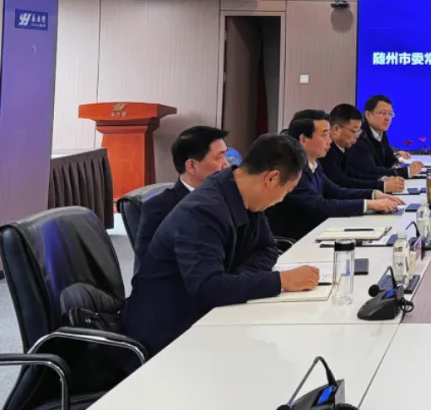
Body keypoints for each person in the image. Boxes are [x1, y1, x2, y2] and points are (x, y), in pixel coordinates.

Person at [121, 134, 321, 358]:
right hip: (170, 334)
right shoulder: (202, 211)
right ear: (272, 178)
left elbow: (266, 249)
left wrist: (237, 281)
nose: (282, 199)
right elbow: (208, 289)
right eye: (287, 191)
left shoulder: (245, 195)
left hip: (208, 317)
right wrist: (280, 281)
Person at [266, 111, 403, 241]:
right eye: (324, 135)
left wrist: (374, 194)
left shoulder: (313, 163)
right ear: (303, 139)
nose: (329, 141)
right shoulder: (291, 170)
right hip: (296, 241)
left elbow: (336, 191)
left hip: (316, 231)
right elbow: (319, 206)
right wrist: (369, 204)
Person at [133, 126, 230, 271]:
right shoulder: (160, 209)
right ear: (191, 166)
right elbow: (147, 271)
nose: (227, 165)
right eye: (219, 158)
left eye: (225, 156)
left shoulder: (228, 198)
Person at [323, 104, 406, 194]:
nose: (357, 136)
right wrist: (381, 186)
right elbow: (343, 182)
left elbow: (354, 175)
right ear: (336, 130)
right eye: (354, 131)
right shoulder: (326, 152)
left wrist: (380, 179)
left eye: (359, 131)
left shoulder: (340, 148)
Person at [347, 95, 423, 179]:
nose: (388, 118)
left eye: (390, 114)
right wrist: (406, 172)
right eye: (383, 113)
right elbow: (369, 170)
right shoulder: (359, 137)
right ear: (368, 115)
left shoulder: (381, 133)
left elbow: (390, 160)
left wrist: (396, 166)